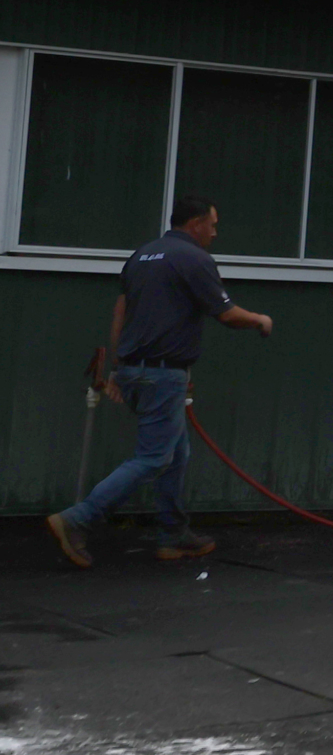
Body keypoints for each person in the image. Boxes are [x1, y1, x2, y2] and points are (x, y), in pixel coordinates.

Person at [47, 193, 274, 568]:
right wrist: (260, 320)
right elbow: (227, 314)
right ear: (197, 223)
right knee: (153, 458)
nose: (215, 233)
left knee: (176, 454)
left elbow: (122, 308)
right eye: (213, 225)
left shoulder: (143, 255)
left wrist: (120, 364)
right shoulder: (194, 258)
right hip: (162, 374)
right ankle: (76, 520)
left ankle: (173, 535)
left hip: (138, 369)